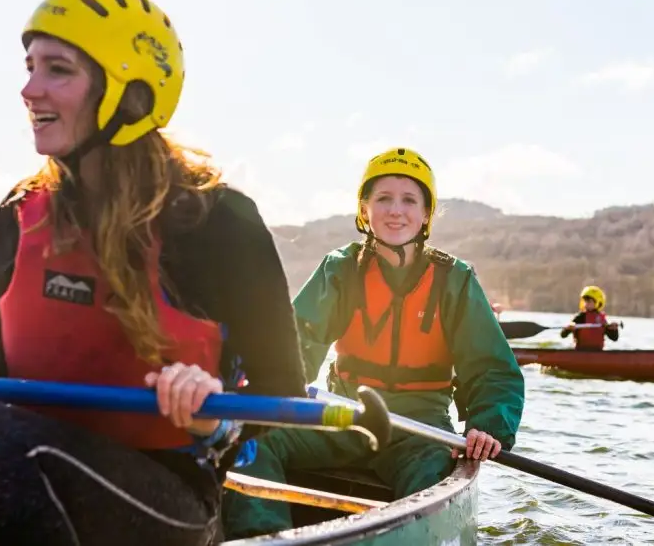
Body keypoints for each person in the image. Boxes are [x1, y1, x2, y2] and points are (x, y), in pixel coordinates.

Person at [0, 0, 308, 546]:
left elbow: (285, 393)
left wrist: (215, 414)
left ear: (129, 93)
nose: (29, 89)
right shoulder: (20, 211)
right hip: (8, 462)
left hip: (164, 496)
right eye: (29, 66)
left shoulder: (217, 220)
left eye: (58, 69)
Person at [222, 147, 526, 539]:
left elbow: (491, 366)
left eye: (409, 200)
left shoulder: (455, 279)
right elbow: (297, 341)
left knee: (435, 480)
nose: (395, 210)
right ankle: (263, 536)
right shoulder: (341, 269)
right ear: (365, 210)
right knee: (253, 444)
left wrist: (487, 425)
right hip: (346, 414)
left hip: (422, 432)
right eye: (383, 198)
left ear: (426, 214)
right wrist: (267, 394)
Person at [560, 285, 620, 351]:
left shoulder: (602, 319)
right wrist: (568, 329)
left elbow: (614, 338)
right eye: (585, 301)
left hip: (598, 352)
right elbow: (563, 335)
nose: (586, 304)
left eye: (589, 301)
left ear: (598, 303)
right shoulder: (580, 317)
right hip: (580, 352)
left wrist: (614, 330)